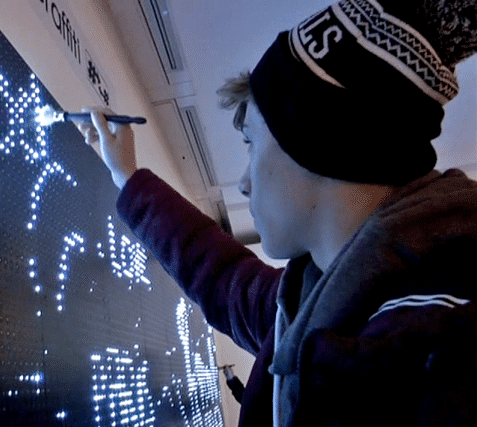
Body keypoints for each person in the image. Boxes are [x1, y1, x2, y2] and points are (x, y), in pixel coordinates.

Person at [78, 0, 477, 426]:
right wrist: (128, 177)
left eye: (251, 143)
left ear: (316, 142)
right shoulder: (316, 298)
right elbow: (223, 278)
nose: (245, 182)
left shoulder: (450, 350)